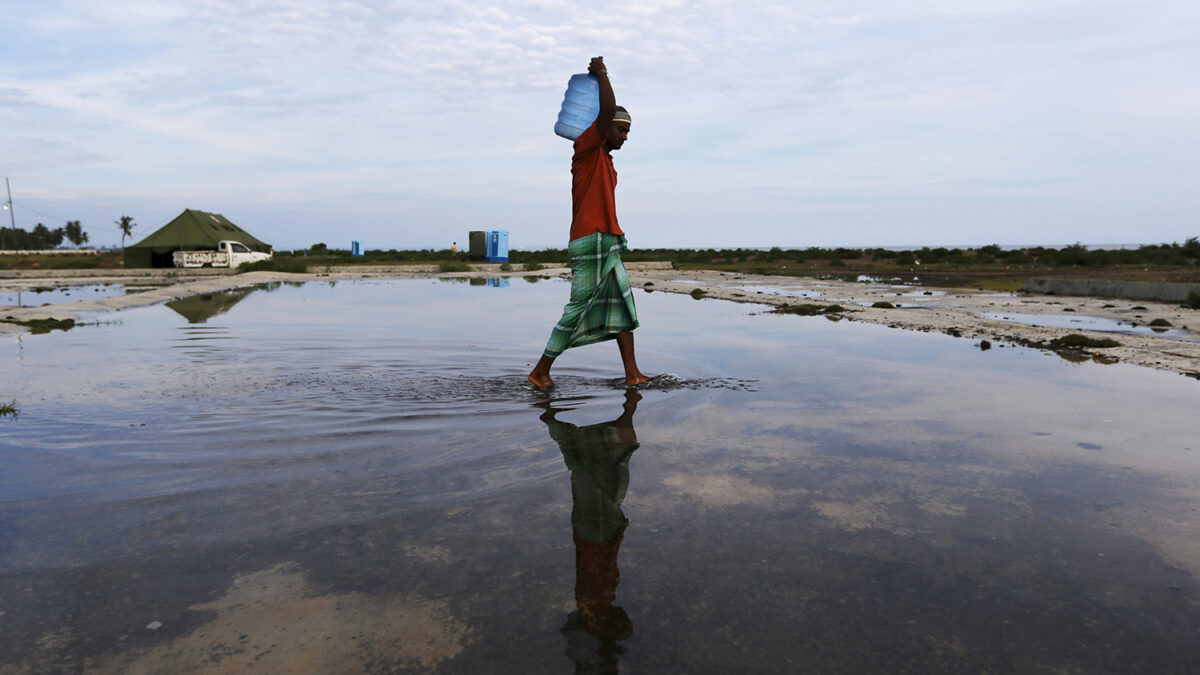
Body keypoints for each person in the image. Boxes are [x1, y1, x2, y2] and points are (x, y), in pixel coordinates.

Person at [528, 57, 650, 389]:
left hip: (608, 241)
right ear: (604, 126)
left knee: (624, 307)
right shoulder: (586, 149)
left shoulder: (608, 163)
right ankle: (540, 371)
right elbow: (607, 109)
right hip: (589, 240)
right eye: (621, 129)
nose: (625, 136)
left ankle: (632, 374)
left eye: (627, 131)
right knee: (577, 308)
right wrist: (602, 73)